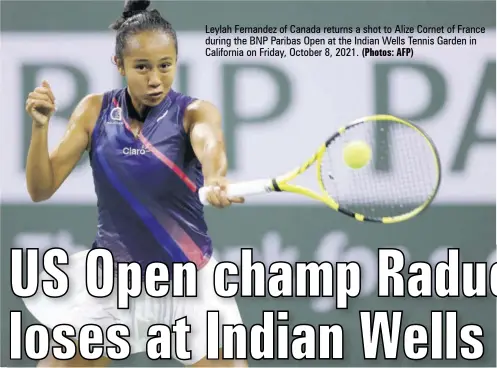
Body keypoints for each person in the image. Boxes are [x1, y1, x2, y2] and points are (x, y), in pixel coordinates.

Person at [23, 0, 247, 366]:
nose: (155, 79)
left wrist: (217, 177)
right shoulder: (94, 111)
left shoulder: (194, 112)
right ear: (120, 65)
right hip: (112, 280)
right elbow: (40, 189)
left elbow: (210, 144)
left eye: (165, 65)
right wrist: (40, 127)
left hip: (189, 279)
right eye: (142, 67)